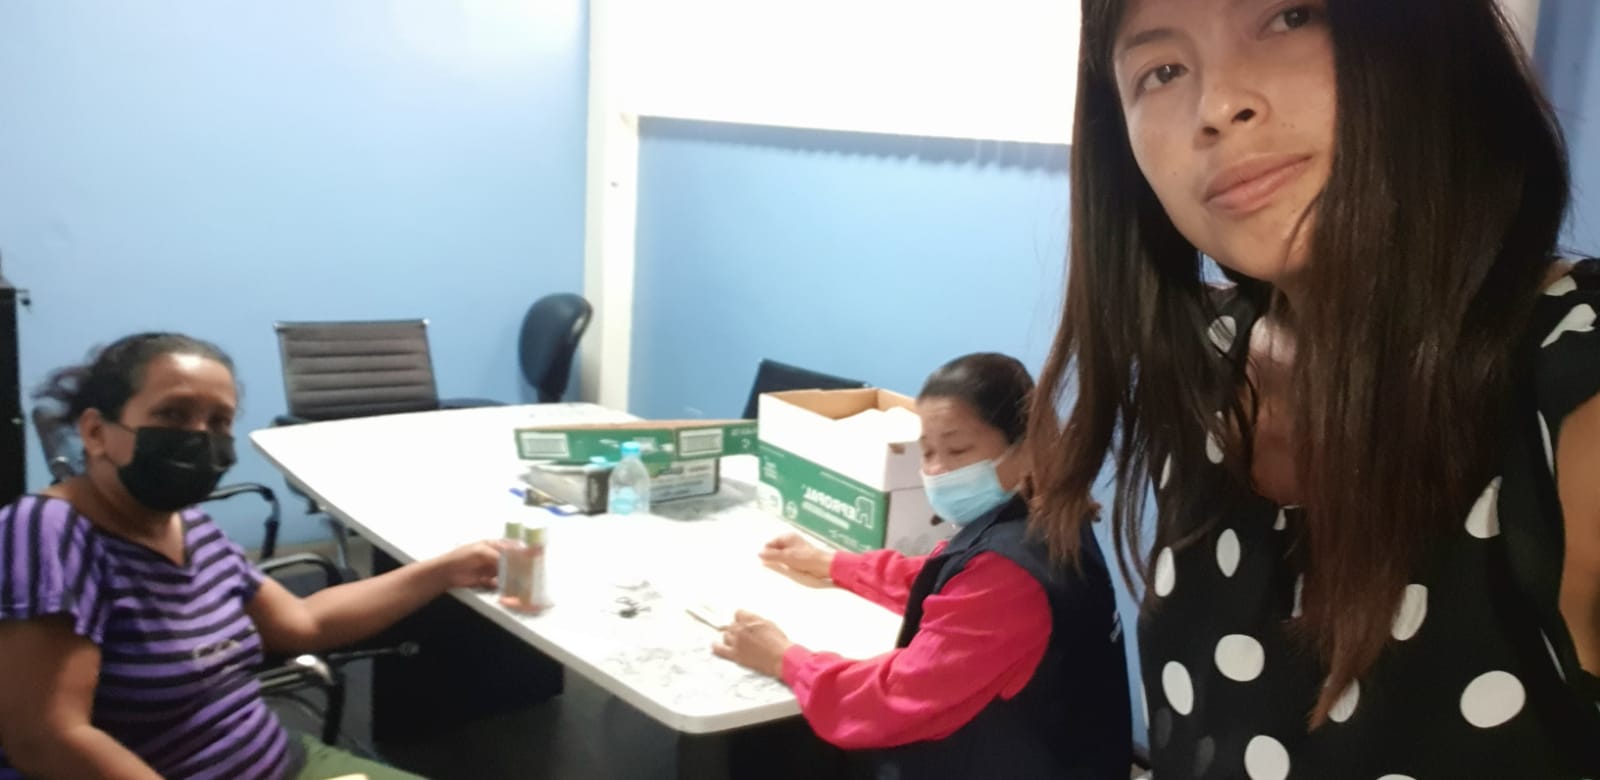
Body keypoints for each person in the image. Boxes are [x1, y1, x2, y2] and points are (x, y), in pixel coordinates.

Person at [1028, 0, 1600, 777]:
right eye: (1161, 71)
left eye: (1291, 16)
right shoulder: (1203, 367)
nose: (1217, 106)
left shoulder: (1571, 391)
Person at [0, 333, 507, 780]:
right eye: (172, 414)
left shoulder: (186, 524)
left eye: (218, 421)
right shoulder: (49, 532)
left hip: (275, 760)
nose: (199, 437)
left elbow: (303, 622)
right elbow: (45, 739)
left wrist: (445, 569)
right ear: (95, 432)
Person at [713, 352, 1131, 779]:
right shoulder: (1052, 516)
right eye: (927, 451)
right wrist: (831, 562)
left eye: (957, 449)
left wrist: (784, 659)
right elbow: (941, 581)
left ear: (1025, 447)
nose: (937, 470)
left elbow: (891, 699)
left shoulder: (1010, 577)